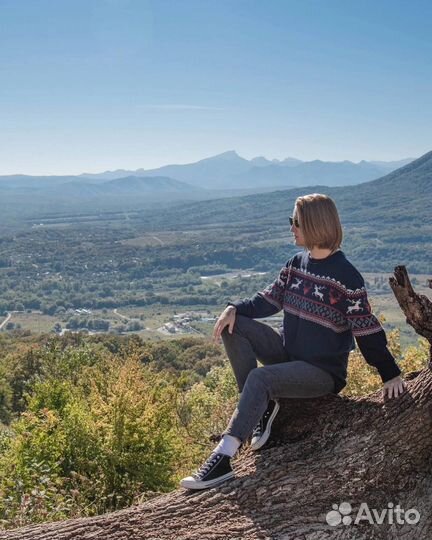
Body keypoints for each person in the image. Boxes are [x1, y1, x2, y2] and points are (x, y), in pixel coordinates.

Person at [180, 193, 406, 490]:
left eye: (295, 222)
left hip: (321, 373)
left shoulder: (346, 277)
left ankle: (224, 456)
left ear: (313, 225)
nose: (291, 227)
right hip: (288, 357)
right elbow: (266, 300)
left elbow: (366, 330)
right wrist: (233, 307)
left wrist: (389, 372)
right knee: (233, 327)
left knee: (260, 379)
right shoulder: (296, 264)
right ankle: (260, 409)